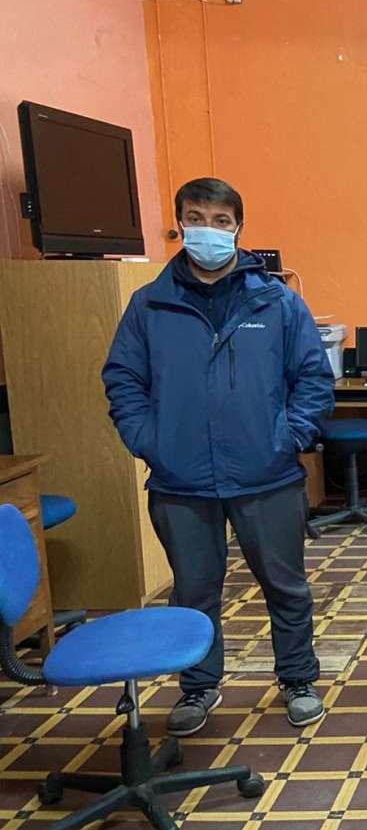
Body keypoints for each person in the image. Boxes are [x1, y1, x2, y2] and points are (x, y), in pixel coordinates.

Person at [103, 177, 335, 736]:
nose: (208, 229)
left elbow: (312, 377)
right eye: (196, 218)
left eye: (221, 220)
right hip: (180, 480)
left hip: (267, 474)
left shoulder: (277, 301)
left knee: (286, 586)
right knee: (194, 592)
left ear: (238, 228)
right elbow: (123, 379)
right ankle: (198, 687)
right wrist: (149, 439)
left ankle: (298, 679)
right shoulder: (150, 303)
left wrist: (289, 436)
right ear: (181, 224)